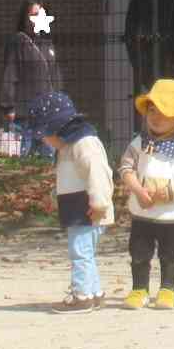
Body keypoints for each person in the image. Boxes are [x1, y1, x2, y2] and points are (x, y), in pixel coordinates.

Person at [116, 78, 174, 310]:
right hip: (142, 210)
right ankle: (139, 289)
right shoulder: (138, 143)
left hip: (171, 213)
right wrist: (137, 189)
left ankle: (167, 289)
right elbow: (125, 168)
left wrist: (169, 191)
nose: (155, 117)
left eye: (164, 112)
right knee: (139, 252)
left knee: (170, 254)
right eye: (152, 110)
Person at [23, 90, 113, 313]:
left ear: (57, 128)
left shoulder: (84, 145)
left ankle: (82, 295)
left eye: (44, 135)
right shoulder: (67, 147)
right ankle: (94, 292)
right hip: (77, 208)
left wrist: (99, 203)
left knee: (79, 252)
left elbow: (98, 174)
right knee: (85, 252)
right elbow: (69, 179)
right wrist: (55, 198)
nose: (44, 140)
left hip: (88, 210)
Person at [0, 0, 64, 156]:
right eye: (33, 14)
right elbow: (10, 73)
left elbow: (55, 75)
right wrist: (8, 105)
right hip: (25, 114)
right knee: (23, 159)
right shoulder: (18, 42)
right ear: (24, 18)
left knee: (48, 159)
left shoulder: (47, 43)